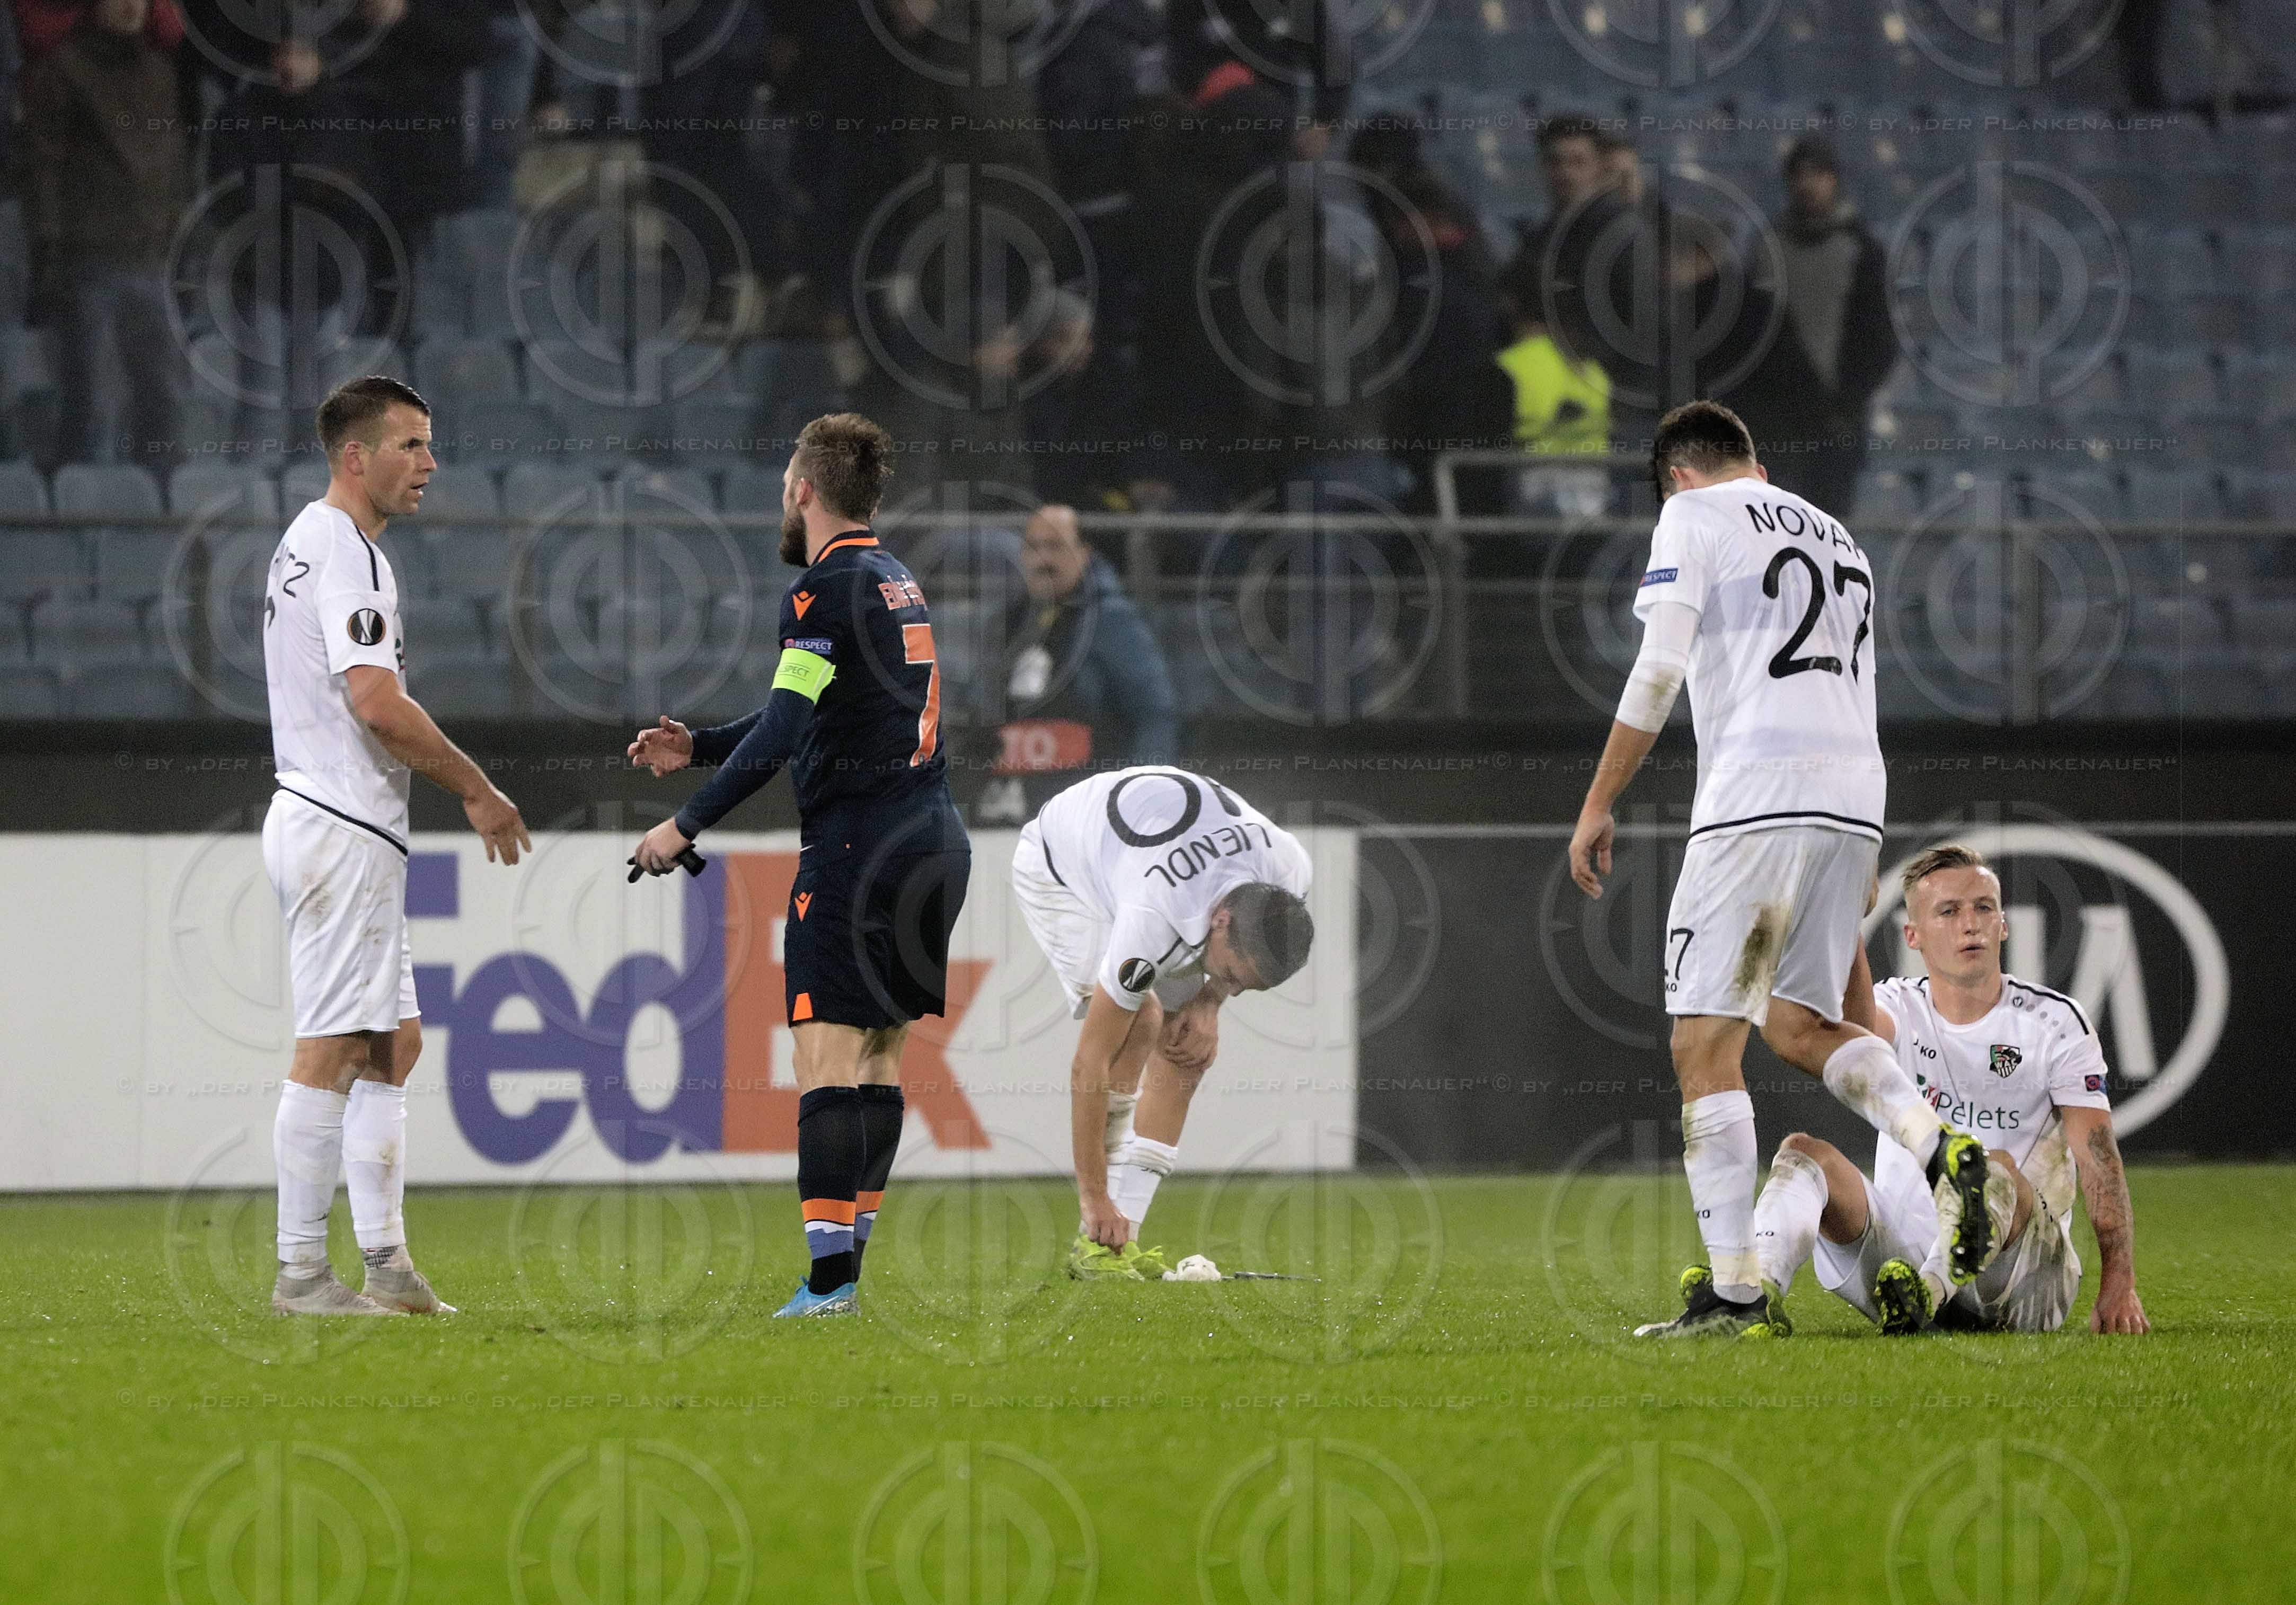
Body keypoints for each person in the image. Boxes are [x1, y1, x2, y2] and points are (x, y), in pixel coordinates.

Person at [1567, 400, 1995, 1338]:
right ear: (1752, 461)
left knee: (1702, 1045)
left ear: (1678, 474)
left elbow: (1656, 668)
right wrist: (1857, 835)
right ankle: (1938, 1148)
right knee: (1801, 1022)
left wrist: (1599, 800)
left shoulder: (1692, 513)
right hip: (1849, 797)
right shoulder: (1840, 535)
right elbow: (1855, 688)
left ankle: (1734, 1292)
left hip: (1754, 802)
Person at [626, 413, 971, 1319]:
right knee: (880, 1057)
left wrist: (683, 823)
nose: (783, 496)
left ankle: (827, 1286)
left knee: (825, 1053)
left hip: (859, 845)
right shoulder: (894, 579)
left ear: (803, 491)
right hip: (934, 839)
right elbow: (808, 710)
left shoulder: (823, 589)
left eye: (785, 483)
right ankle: (845, 1273)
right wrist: (697, 744)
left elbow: (786, 727)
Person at [262, 376, 531, 1317]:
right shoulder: (349, 554)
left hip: (335, 822)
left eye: (427, 443)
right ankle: (300, 1271)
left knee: (393, 1042)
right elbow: (376, 703)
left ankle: (387, 1266)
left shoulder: (311, 536)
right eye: (410, 445)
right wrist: (478, 787)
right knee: (332, 1045)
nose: (429, 463)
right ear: (355, 456)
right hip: (339, 824)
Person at [1744, 844, 2150, 1337]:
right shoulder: (1898, 1006)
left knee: (1991, 1166)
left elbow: (2099, 1157)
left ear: (2003, 924)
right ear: (1913, 935)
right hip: (1899, 1267)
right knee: (1802, 1155)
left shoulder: (2055, 1022)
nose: (1971, 923)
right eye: (1949, 911)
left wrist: (2120, 1281)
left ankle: (1928, 1294)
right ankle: (1751, 1294)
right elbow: (1853, 1033)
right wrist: (1847, 919)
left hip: (2022, 1279)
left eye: (1984, 907)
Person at [1010, 766, 1315, 1278]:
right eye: (1234, 975)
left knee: (1186, 1048)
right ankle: (1097, 1234)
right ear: (1221, 922)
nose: (1235, 986)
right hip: (1060, 866)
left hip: (1143, 856)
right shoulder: (1158, 916)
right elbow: (1090, 1062)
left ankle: (1118, 1242)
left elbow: (1226, 974)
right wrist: (1094, 1195)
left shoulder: (1290, 870)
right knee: (1141, 1019)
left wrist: (1212, 998)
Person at [23, 0, 190, 467]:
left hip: (153, 257)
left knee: (160, 402)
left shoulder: (160, 69)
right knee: (91, 404)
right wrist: (50, 257)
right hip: (88, 261)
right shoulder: (64, 69)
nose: (131, 6)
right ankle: (80, 521)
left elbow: (172, 162)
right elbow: (44, 171)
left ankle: (160, 521)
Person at [980, 503, 1179, 822]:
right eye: (1034, 548)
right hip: (1016, 815)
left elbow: (1154, 715)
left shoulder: (1113, 621)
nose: (1043, 560)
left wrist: (1142, 803)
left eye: (1056, 547)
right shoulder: (1007, 623)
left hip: (1094, 818)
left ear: (1084, 553)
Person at [1770, 137, 1895, 519]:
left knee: (1828, 538)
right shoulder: (1767, 249)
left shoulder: (1865, 253)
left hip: (1837, 427)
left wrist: (1846, 404)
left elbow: (1880, 341)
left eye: (1818, 174)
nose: (1808, 185)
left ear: (1835, 180)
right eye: (1800, 175)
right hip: (1776, 425)